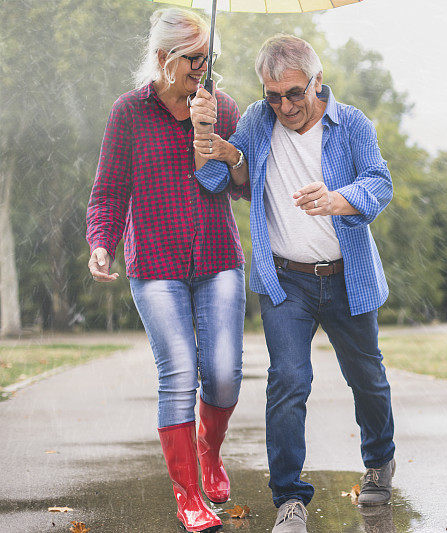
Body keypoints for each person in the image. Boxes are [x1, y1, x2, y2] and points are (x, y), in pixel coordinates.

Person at [190, 34, 396, 533]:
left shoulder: (351, 125)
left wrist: (337, 198)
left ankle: (379, 461)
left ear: (317, 83)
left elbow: (380, 183)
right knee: (288, 383)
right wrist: (206, 140)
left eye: (295, 93)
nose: (285, 106)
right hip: (285, 281)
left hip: (348, 278)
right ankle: (289, 498)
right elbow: (217, 180)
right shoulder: (259, 123)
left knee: (366, 377)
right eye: (274, 95)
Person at [86, 8, 248, 532]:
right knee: (179, 371)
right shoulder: (128, 112)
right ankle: (188, 496)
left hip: (218, 257)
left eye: (208, 57)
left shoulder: (222, 108)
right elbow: (110, 190)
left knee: (222, 374)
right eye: (193, 58)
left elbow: (236, 187)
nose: (202, 67)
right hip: (155, 264)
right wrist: (100, 243)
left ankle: (210, 450)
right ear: (162, 58)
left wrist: (212, 140)